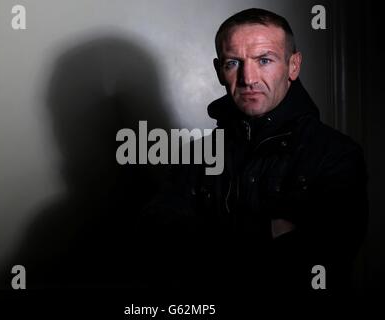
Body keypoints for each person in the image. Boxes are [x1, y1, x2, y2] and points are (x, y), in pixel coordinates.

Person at [138, 8, 368, 294]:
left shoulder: (337, 154)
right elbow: (157, 244)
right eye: (233, 62)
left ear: (293, 66)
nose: (248, 78)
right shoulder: (195, 156)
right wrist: (267, 232)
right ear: (219, 71)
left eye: (264, 60)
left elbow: (322, 259)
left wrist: (211, 239)